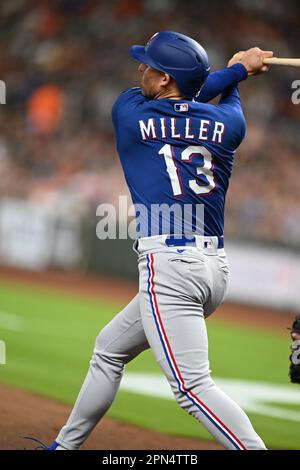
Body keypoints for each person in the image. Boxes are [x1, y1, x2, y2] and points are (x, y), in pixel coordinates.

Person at [46, 32, 273, 450]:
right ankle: (64, 446)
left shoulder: (129, 113)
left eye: (148, 65)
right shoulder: (231, 123)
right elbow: (200, 94)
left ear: (166, 78)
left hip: (170, 267)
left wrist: (238, 68)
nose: (140, 69)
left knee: (191, 388)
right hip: (213, 271)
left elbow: (195, 93)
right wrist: (241, 72)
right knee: (108, 350)